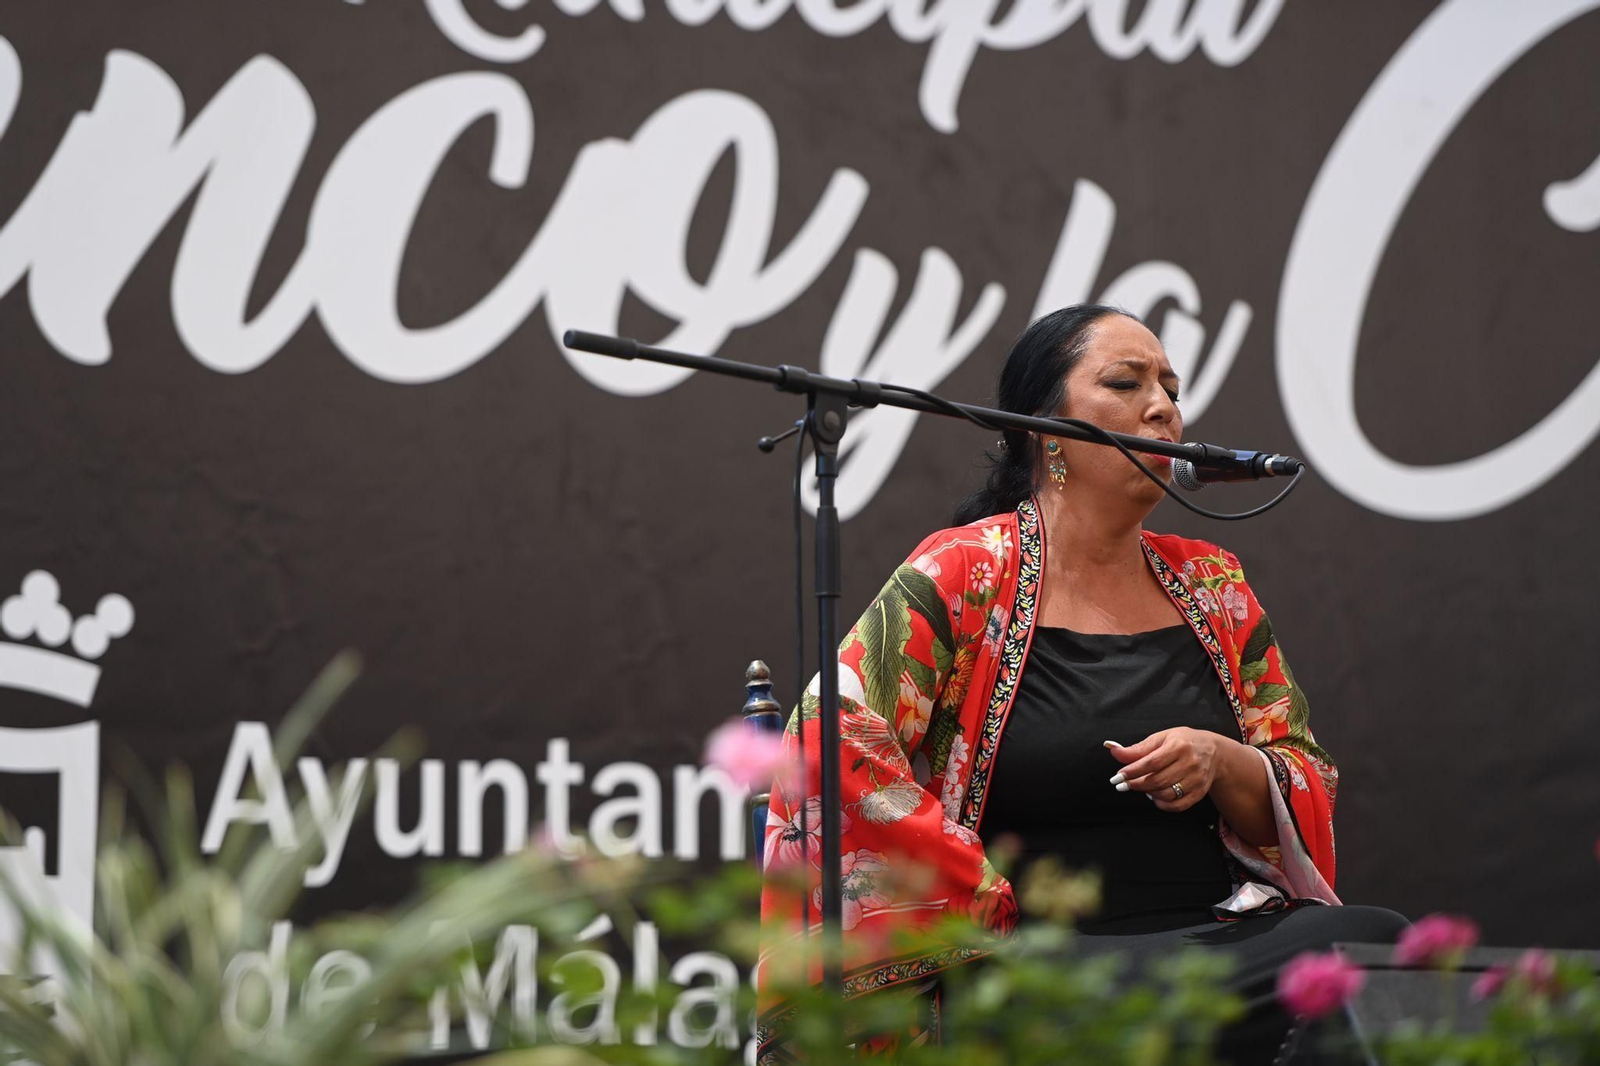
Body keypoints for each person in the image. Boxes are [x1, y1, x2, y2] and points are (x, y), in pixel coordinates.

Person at [756, 305, 1406, 1060]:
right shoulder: (964, 572)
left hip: (1212, 940)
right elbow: (825, 737)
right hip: (1036, 952)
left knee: (1372, 945)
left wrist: (1225, 761)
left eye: (1170, 387)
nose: (1162, 407)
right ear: (1044, 429)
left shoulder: (1213, 582)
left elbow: (1305, 773)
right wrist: (974, 897)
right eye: (1127, 384)